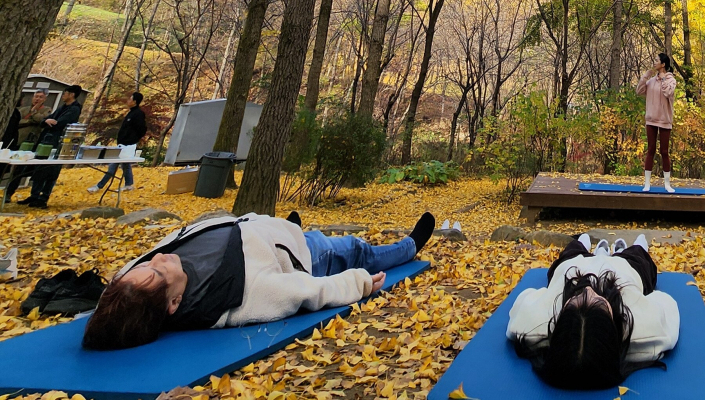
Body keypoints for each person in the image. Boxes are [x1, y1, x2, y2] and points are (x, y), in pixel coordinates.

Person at [81, 209, 438, 349]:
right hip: (308, 255)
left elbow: (117, 296)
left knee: (293, 231)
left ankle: (289, 228)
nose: (158, 258)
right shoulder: (237, 297)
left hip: (262, 230)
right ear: (174, 303)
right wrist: (357, 283)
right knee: (359, 250)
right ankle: (409, 245)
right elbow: (304, 290)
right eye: (158, 271)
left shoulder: (137, 282)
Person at [508, 232, 679, 389]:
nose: (588, 291)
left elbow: (526, 296)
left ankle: (584, 240)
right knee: (638, 254)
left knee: (572, 249)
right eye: (598, 304)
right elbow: (666, 301)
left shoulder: (532, 327)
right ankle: (632, 247)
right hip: (625, 267)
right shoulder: (649, 331)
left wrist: (550, 297)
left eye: (575, 302)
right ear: (614, 325)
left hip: (573, 264)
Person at [8, 84, 83, 208]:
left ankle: (43, 197)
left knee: (50, 169)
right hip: (45, 141)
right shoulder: (61, 107)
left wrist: (46, 121)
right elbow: (46, 120)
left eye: (65, 93)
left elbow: (58, 123)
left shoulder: (74, 109)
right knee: (39, 167)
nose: (63, 95)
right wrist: (46, 121)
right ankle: (34, 194)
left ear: (71, 94)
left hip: (57, 142)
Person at [88, 90, 147, 193]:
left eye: (130, 99)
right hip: (123, 143)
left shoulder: (138, 114)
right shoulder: (131, 113)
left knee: (113, 165)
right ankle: (128, 184)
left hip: (128, 144)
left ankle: (98, 186)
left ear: (135, 101)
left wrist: (133, 139)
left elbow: (142, 129)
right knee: (126, 165)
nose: (128, 100)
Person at [636, 53, 677, 193]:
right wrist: (645, 77)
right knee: (651, 150)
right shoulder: (651, 81)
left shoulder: (671, 80)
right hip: (651, 119)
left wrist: (664, 78)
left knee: (664, 151)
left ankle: (667, 184)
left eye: (656, 60)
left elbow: (668, 92)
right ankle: (647, 184)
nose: (654, 62)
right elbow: (639, 91)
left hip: (665, 120)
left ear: (663, 64)